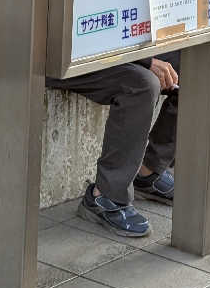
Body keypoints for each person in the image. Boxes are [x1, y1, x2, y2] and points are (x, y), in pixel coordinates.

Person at [45, 51, 180, 238]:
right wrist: (145, 60)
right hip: (59, 53)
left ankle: (148, 170)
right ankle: (105, 195)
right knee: (142, 84)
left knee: (191, 64)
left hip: (119, 45)